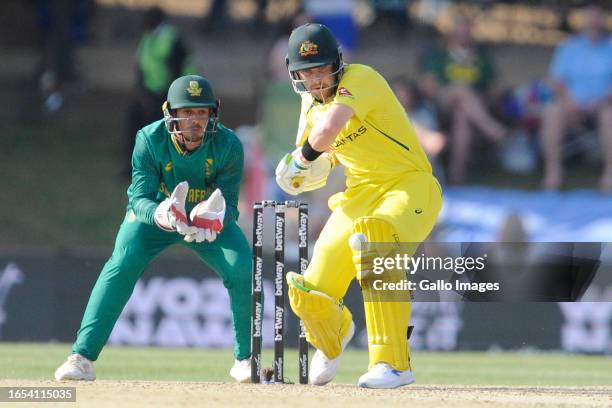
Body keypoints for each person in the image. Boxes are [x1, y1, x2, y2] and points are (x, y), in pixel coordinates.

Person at [55, 75, 253, 383]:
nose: (195, 122)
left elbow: (229, 202)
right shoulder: (149, 138)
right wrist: (162, 214)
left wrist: (216, 219)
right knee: (121, 263)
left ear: (213, 114)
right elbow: (138, 197)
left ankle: (246, 359)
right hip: (157, 217)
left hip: (202, 222)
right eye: (187, 112)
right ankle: (81, 357)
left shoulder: (229, 145)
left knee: (242, 268)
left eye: (201, 113)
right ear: (170, 113)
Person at [275, 23, 442, 388]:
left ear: (337, 63)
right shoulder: (309, 110)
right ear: (295, 73)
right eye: (308, 72)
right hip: (359, 195)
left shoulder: (361, 78)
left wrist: (298, 160)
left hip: (409, 186)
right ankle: (334, 337)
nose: (317, 80)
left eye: (322, 69)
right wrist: (299, 175)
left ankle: (393, 364)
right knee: (308, 292)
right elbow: (320, 165)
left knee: (374, 240)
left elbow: (326, 133)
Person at [421, 16, 506, 185]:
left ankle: (456, 174)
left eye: (466, 32)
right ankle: (491, 128)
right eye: (459, 32)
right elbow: (428, 86)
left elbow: (495, 89)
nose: (463, 36)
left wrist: (478, 97)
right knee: (459, 89)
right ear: (451, 34)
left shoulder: (481, 58)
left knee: (462, 115)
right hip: (443, 103)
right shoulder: (439, 56)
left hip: (471, 107)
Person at [541, 5, 612, 191]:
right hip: (571, 105)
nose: (594, 24)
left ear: (603, 23)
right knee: (551, 113)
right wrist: (569, 101)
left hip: (603, 105)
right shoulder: (569, 47)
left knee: (609, 116)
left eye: (598, 20)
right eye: (590, 20)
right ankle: (553, 174)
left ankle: (609, 175)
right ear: (583, 24)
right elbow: (556, 81)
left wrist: (602, 100)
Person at [124, 7, 195, 177]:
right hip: (149, 93)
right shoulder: (147, 39)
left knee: (162, 130)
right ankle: (132, 167)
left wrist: (167, 100)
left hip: (173, 93)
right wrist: (141, 94)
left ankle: (162, 170)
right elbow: (140, 67)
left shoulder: (173, 39)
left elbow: (178, 72)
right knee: (133, 119)